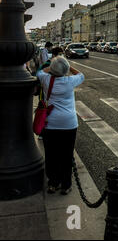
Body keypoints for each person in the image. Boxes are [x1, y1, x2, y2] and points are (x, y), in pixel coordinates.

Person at [36, 56, 84, 195]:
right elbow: (81, 75)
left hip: (50, 123)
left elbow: (39, 71)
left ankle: (53, 183)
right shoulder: (70, 81)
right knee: (67, 155)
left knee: (51, 155)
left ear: (52, 70)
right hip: (69, 124)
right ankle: (66, 184)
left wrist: (50, 65)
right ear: (66, 69)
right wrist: (69, 67)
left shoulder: (46, 79)